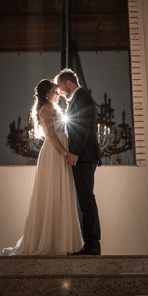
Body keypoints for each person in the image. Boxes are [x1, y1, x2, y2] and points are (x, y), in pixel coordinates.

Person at [3, 79, 84, 256]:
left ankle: (61, 240)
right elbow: (52, 135)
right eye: (55, 91)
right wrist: (64, 153)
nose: (58, 94)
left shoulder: (54, 108)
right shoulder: (46, 109)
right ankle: (49, 241)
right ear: (47, 93)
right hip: (54, 153)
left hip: (61, 151)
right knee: (51, 194)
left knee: (60, 193)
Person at [56, 68, 101, 255]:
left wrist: (75, 153)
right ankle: (89, 243)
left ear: (69, 83)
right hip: (84, 156)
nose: (59, 92)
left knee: (86, 200)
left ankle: (92, 244)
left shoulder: (81, 97)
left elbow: (81, 127)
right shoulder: (78, 98)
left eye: (60, 87)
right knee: (83, 199)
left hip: (84, 156)